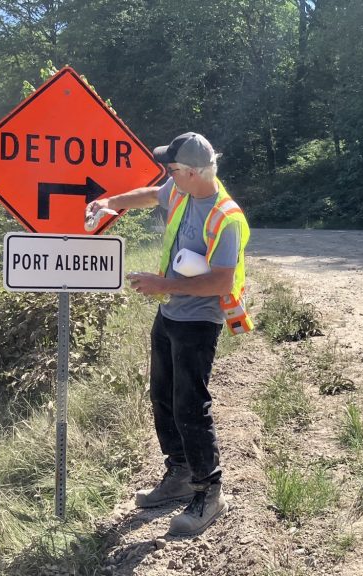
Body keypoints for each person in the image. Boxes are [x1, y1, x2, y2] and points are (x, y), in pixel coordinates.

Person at [85, 132, 252, 537]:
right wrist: (108, 202)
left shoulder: (226, 217)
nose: (166, 174)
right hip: (170, 314)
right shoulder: (179, 191)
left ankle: (210, 492)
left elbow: (220, 282)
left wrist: (163, 286)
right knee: (161, 395)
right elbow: (148, 195)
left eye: (172, 169)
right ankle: (178, 474)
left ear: (193, 171)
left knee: (190, 406)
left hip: (198, 321)